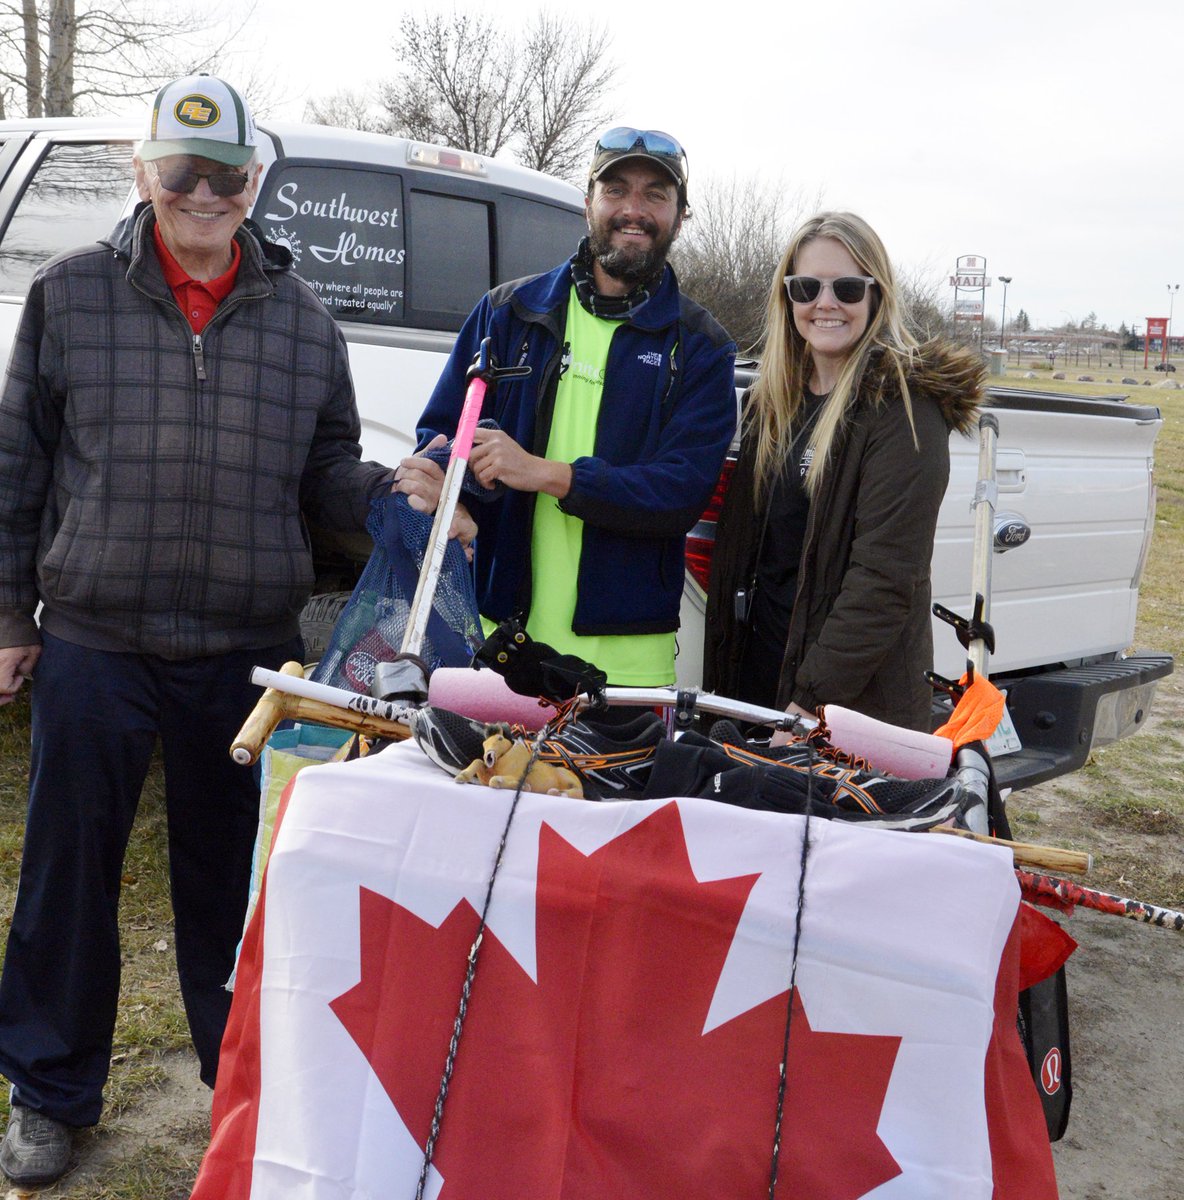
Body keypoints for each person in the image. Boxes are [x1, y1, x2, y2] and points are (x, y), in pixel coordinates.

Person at [0, 75, 392, 1186]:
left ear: (255, 182)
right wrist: (6, 615)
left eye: (226, 175)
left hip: (240, 654)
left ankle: (241, 1086)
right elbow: (17, 469)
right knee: (67, 878)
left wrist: (386, 500)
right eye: (183, 171)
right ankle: (49, 1091)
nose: (204, 193)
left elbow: (324, 474)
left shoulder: (307, 325)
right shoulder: (70, 296)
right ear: (145, 174)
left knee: (233, 883)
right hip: (94, 639)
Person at [396, 127, 736, 688]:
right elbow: (440, 435)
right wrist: (441, 488)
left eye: (656, 194)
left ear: (680, 215)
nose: (634, 209)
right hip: (494, 639)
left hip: (626, 660)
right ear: (587, 203)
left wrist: (545, 474)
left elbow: (680, 494)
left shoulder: (701, 346)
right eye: (616, 189)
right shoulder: (508, 312)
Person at [704, 211, 982, 732]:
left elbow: (885, 580)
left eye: (848, 288)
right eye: (807, 286)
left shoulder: (905, 408)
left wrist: (811, 703)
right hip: (757, 677)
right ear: (787, 297)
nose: (825, 303)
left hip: (845, 707)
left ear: (876, 296)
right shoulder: (771, 401)